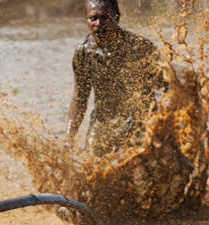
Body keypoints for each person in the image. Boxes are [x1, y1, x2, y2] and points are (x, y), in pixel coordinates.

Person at [67, 0, 165, 156]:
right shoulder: (83, 53)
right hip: (103, 119)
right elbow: (80, 98)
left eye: (105, 18)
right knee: (92, 164)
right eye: (93, 18)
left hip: (140, 118)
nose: (99, 23)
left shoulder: (140, 48)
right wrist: (69, 137)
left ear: (116, 17)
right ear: (87, 20)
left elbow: (168, 87)